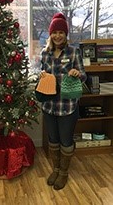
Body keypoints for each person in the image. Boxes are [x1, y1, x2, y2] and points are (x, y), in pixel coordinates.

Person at [40, 13, 87, 190]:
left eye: (61, 32)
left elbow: (84, 76)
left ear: (66, 34)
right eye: (54, 32)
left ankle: (64, 173)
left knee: (66, 141)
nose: (58, 35)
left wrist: (77, 74)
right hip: (49, 104)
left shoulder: (74, 52)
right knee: (53, 140)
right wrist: (42, 76)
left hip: (67, 106)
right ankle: (56, 168)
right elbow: (43, 74)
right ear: (50, 34)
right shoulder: (45, 53)